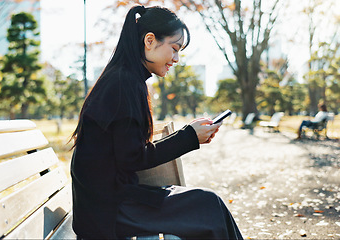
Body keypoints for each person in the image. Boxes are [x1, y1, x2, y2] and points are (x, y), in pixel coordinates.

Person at [70, 5, 243, 239]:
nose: (176, 58)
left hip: (111, 202)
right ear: (149, 40)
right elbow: (133, 157)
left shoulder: (127, 79)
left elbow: (131, 152)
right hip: (109, 211)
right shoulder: (124, 83)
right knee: (208, 206)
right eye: (174, 48)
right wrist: (190, 137)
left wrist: (189, 134)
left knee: (208, 205)